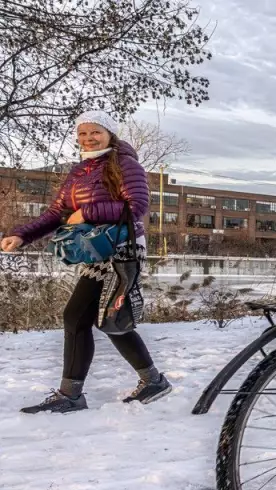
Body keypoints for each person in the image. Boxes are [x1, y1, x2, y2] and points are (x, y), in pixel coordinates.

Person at [0, 110, 172, 413]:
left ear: (109, 133)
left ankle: (72, 394)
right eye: (82, 133)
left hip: (122, 249)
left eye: (95, 132)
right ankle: (152, 380)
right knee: (104, 320)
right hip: (96, 250)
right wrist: (22, 235)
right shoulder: (79, 171)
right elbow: (56, 213)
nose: (88, 138)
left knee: (79, 316)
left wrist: (87, 213)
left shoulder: (125, 164)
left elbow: (137, 207)